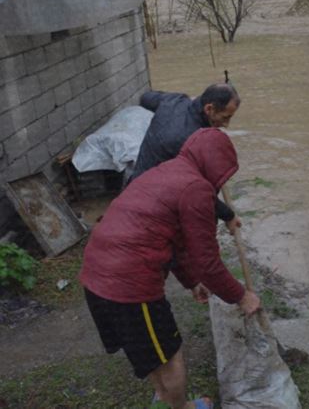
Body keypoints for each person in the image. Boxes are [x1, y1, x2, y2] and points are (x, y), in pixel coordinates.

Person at [80, 128, 260, 409]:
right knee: (170, 356)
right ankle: (180, 407)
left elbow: (175, 242)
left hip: (95, 275)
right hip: (128, 287)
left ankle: (164, 399)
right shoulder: (196, 188)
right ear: (216, 165)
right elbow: (208, 262)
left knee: (151, 353)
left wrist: (190, 282)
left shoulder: (165, 171)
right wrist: (241, 296)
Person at [132, 83, 242, 233]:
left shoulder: (174, 100)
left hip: (135, 184)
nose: (226, 125)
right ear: (209, 109)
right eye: (225, 117)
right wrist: (229, 216)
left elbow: (145, 98)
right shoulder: (192, 143)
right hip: (152, 204)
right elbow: (201, 193)